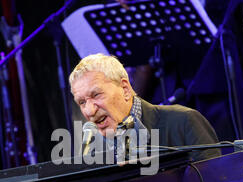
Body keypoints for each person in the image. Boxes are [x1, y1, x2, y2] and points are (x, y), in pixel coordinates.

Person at [69, 53, 221, 161]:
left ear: (125, 89)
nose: (89, 110)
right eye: (82, 102)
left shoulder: (185, 122)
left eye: (96, 95)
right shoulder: (92, 150)